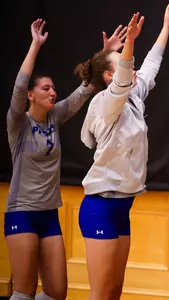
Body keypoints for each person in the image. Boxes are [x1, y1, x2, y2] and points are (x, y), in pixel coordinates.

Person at [3, 18, 124, 300]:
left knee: (57, 292)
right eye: (46, 89)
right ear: (31, 96)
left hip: (48, 213)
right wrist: (35, 45)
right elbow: (19, 87)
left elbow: (85, 89)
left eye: (54, 88)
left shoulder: (55, 117)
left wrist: (102, 56)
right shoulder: (17, 123)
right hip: (22, 211)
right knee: (25, 291)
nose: (53, 92)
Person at [76, 4, 169, 300]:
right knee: (101, 293)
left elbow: (151, 65)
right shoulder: (106, 103)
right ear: (109, 75)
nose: (131, 66)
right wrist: (129, 41)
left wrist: (166, 28)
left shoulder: (133, 97)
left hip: (122, 207)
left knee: (114, 293)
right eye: (122, 64)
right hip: (100, 206)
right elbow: (124, 77)